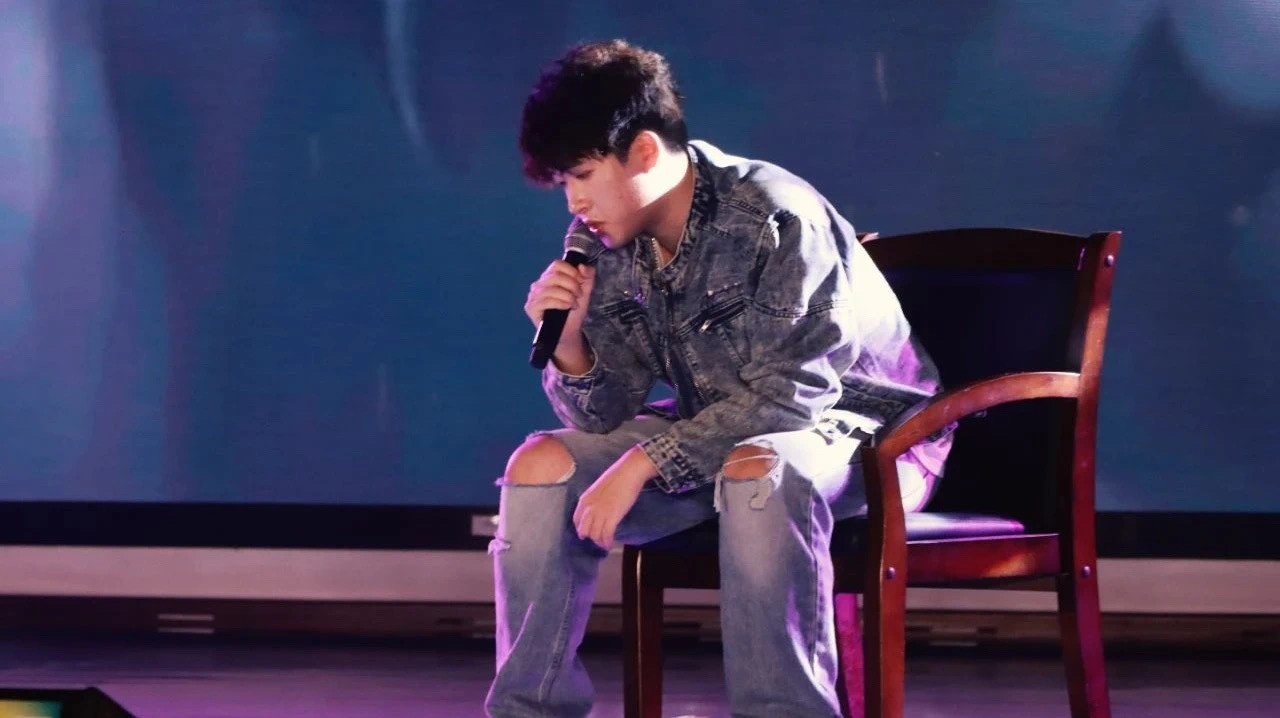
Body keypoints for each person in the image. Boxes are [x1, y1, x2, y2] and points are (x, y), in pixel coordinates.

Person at [486, 39, 952, 718]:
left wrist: (648, 460)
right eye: (564, 183)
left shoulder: (775, 214)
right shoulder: (609, 241)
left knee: (759, 470)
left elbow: (795, 394)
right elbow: (601, 416)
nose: (574, 202)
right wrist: (572, 345)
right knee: (540, 468)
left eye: (582, 175)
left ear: (644, 151)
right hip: (723, 435)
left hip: (867, 438)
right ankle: (530, 711)